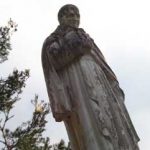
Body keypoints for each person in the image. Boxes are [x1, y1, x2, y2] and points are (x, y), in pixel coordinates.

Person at [42, 4, 139, 150]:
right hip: (77, 83)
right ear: (61, 18)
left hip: (99, 82)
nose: (75, 18)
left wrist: (112, 83)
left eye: (77, 15)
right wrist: (77, 48)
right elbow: (54, 60)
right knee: (91, 121)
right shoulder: (54, 39)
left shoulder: (84, 35)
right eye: (70, 15)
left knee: (111, 119)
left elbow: (101, 61)